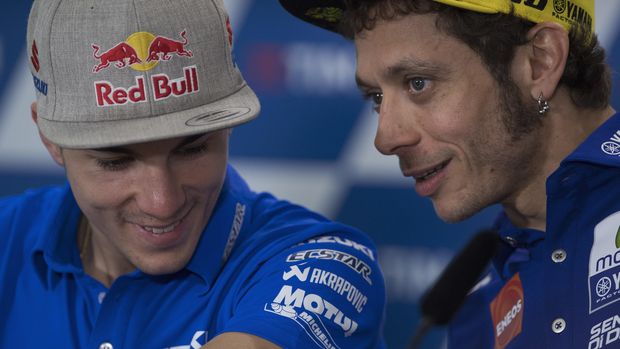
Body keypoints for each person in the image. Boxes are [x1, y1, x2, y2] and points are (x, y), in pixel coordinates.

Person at [0, 1, 387, 348]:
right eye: (116, 161)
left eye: (193, 149)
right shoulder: (8, 236)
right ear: (49, 139)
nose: (162, 202)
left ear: (228, 128)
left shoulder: (324, 262)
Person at [278, 0, 619, 348]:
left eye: (418, 83)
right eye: (376, 97)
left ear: (540, 62)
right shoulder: (472, 319)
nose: (386, 138)